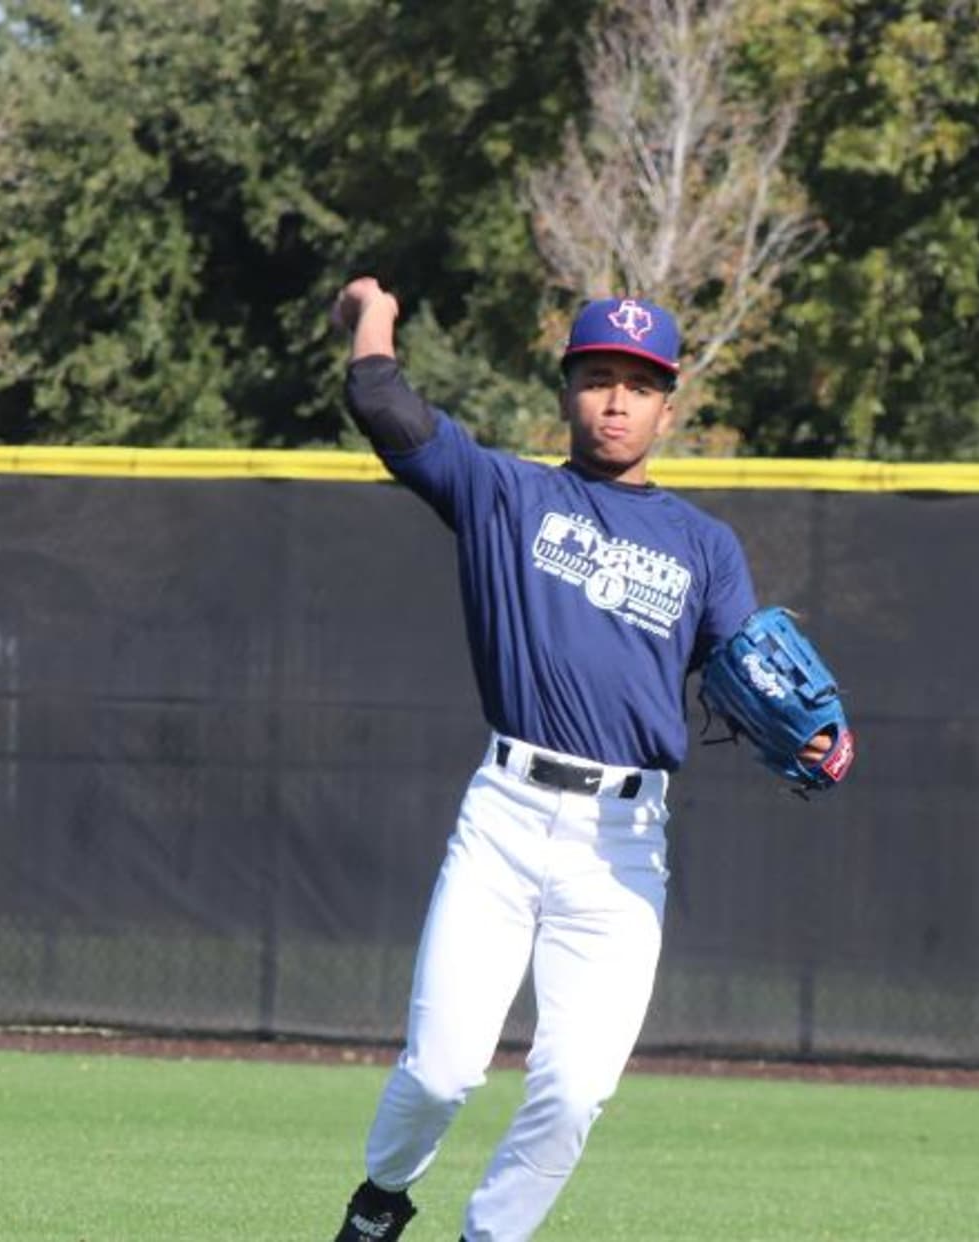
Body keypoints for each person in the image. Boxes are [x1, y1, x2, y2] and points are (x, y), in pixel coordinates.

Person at [325, 277, 828, 1242]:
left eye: (638, 385)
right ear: (565, 391)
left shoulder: (706, 546)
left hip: (623, 845)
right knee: (440, 1072)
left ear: (667, 408)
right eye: (597, 376)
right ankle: (381, 1200)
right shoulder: (504, 493)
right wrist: (372, 307)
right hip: (506, 820)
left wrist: (803, 734)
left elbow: (748, 675)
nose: (615, 399)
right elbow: (382, 403)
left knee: (573, 1090)